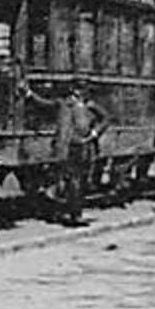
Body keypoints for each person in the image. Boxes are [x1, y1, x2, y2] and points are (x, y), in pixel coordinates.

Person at [26, 78, 109, 227]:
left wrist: (95, 133)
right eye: (78, 89)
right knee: (73, 181)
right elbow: (44, 104)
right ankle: (75, 215)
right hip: (69, 147)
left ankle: (70, 210)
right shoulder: (63, 104)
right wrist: (29, 94)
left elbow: (105, 118)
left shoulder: (89, 105)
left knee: (82, 181)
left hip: (86, 147)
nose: (80, 92)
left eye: (83, 89)